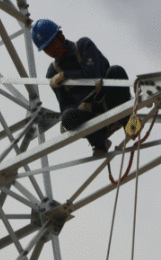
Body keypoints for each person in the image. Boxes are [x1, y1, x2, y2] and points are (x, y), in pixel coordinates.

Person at [31, 18, 130, 158]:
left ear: (61, 37)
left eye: (52, 44)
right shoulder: (53, 73)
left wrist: (65, 75)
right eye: (46, 49)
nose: (51, 51)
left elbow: (92, 74)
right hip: (93, 116)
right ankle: (100, 143)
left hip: (112, 101)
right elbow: (64, 104)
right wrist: (79, 109)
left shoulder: (84, 46)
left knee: (116, 72)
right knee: (67, 118)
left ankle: (131, 125)